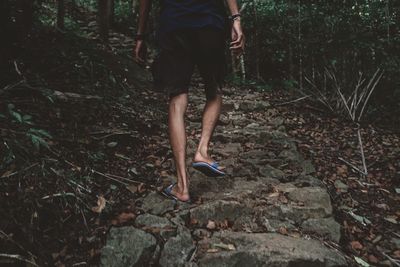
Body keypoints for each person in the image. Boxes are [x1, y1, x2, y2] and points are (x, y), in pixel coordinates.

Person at [135, 0, 245, 202]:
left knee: (177, 99)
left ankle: (182, 186)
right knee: (214, 91)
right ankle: (202, 150)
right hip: (210, 23)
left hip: (174, 25)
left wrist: (140, 36)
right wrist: (236, 19)